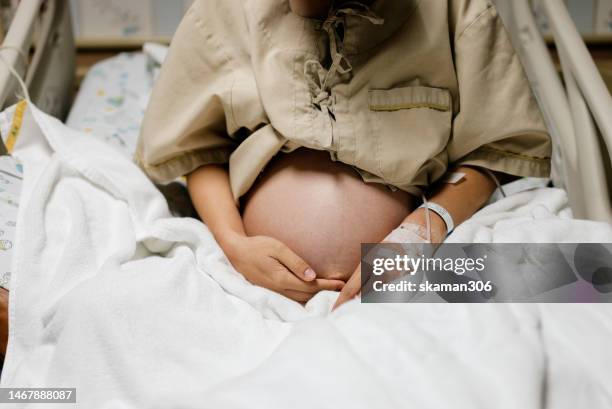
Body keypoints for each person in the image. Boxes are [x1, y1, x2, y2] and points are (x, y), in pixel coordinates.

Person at [136, 0, 552, 309]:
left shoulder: (455, 10)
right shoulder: (226, 11)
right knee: (110, 308)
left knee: (579, 280)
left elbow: (496, 151)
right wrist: (232, 245)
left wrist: (422, 232)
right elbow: (196, 150)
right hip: (245, 284)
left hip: (411, 277)